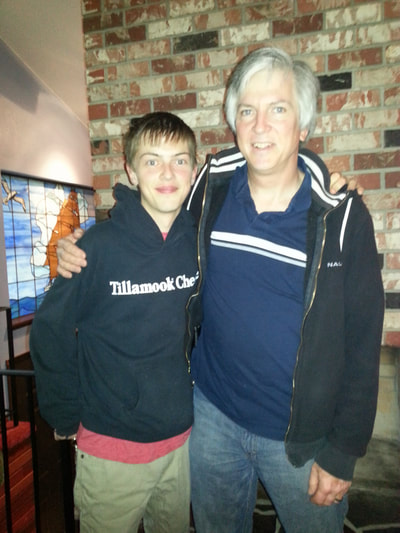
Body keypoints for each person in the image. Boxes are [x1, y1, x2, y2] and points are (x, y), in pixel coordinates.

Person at [55, 48, 377, 533]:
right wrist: (79, 245)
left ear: (303, 125)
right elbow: (151, 227)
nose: (260, 125)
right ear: (233, 123)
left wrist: (344, 450)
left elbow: (363, 340)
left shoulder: (342, 216)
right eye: (247, 111)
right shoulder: (210, 188)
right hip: (211, 421)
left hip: (300, 442)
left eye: (278, 109)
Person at [29, 112, 199, 533]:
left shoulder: (197, 244)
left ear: (194, 171)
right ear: (131, 171)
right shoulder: (95, 248)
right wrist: (64, 415)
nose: (167, 173)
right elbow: (49, 331)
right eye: (152, 161)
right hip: (111, 453)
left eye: (179, 160)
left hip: (180, 444)